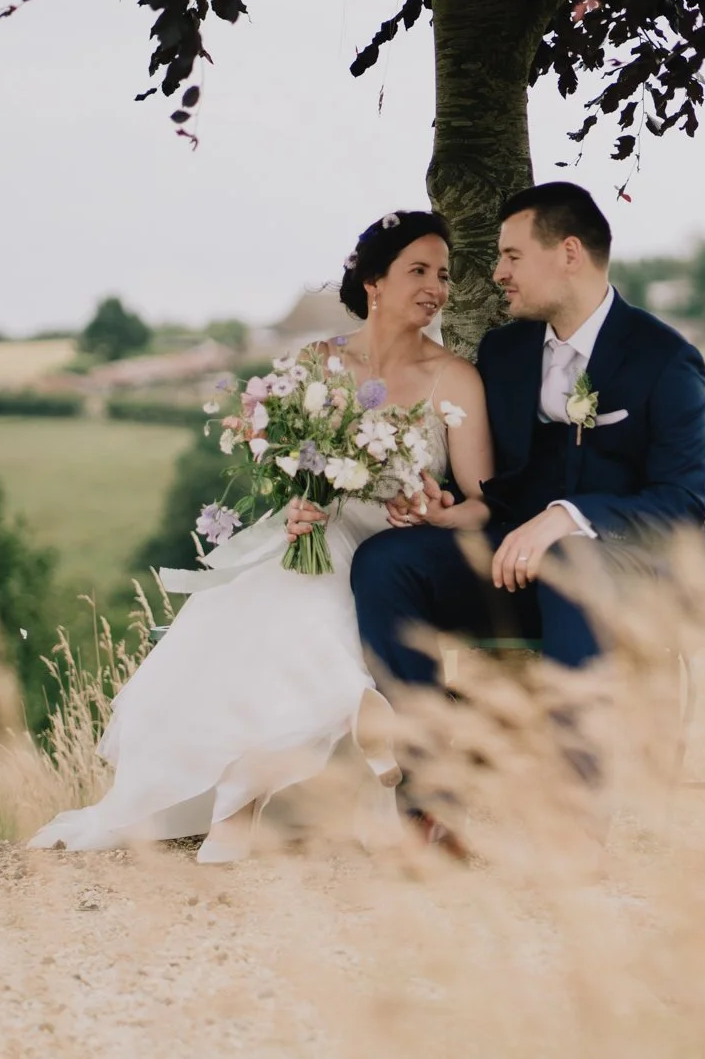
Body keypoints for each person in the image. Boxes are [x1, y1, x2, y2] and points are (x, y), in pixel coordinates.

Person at [27, 212, 493, 864]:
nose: (435, 287)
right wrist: (298, 501)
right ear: (373, 282)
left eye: (442, 274)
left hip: (399, 552)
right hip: (314, 535)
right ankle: (244, 805)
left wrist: (437, 515)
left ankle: (321, 755)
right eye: (417, 270)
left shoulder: (456, 379)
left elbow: (480, 504)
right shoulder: (316, 363)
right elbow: (292, 467)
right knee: (261, 604)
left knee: (327, 608)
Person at [336, 182, 705, 819]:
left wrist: (568, 518)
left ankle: (572, 813)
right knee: (385, 560)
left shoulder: (665, 359)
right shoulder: (505, 352)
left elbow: (680, 503)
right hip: (512, 565)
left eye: (511, 256)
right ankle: (432, 791)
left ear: (568, 253)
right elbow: (500, 480)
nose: (497, 273)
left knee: (570, 560)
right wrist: (445, 507)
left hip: (632, 573)